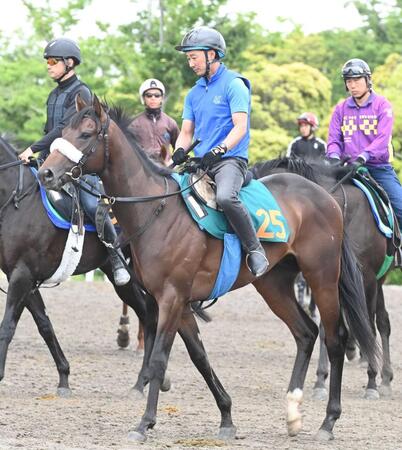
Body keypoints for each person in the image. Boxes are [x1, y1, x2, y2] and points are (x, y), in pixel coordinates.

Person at [19, 37, 130, 285]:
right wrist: (40, 157)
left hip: (78, 167)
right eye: (47, 61)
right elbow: (49, 127)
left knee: (92, 206)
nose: (48, 66)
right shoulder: (53, 94)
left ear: (69, 63)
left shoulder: (81, 92)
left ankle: (116, 257)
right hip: (54, 163)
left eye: (53, 61)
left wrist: (32, 148)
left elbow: (61, 129)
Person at [172, 26, 268, 277]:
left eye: (193, 57)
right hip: (202, 161)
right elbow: (186, 132)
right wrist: (179, 151)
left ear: (212, 54)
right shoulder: (193, 93)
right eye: (188, 58)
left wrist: (219, 149)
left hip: (229, 160)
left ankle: (255, 249)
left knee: (226, 197)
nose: (190, 63)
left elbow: (240, 127)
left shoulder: (234, 84)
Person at [326, 58, 402, 230]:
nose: (352, 85)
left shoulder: (382, 105)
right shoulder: (340, 109)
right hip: (346, 170)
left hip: (378, 169)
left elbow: (382, 139)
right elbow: (334, 140)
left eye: (357, 80)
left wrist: (363, 156)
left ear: (368, 80)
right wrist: (333, 157)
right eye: (349, 81)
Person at [128, 78, 180, 165]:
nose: (153, 98)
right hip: (143, 169)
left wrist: (173, 161)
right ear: (143, 98)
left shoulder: (170, 122)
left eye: (157, 95)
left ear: (162, 98)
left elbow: (180, 147)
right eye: (149, 95)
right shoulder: (134, 124)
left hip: (167, 169)